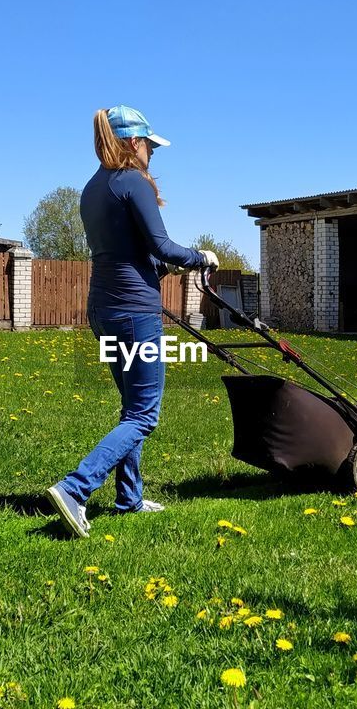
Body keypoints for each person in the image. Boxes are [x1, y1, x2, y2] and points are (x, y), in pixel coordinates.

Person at [47, 105, 217, 538]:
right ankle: (74, 488)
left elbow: (128, 255)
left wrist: (163, 271)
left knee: (130, 409)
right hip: (135, 315)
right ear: (134, 143)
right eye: (150, 147)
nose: (153, 156)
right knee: (143, 416)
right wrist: (201, 257)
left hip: (102, 310)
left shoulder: (92, 187)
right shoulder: (133, 182)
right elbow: (162, 244)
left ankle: (130, 498)